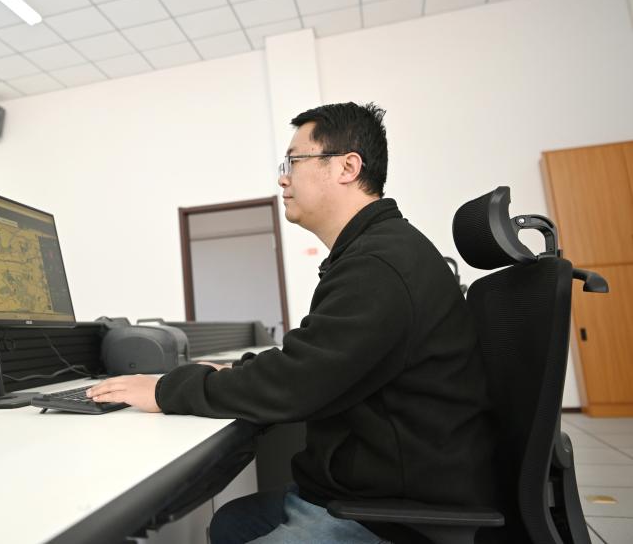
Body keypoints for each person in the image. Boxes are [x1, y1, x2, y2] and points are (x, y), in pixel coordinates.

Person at [88, 102, 498, 543]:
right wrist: (232, 373)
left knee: (227, 523)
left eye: (293, 162)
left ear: (347, 167)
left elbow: (296, 383)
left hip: (395, 513)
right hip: (366, 487)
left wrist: (164, 390)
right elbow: (315, 359)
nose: (283, 179)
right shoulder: (375, 251)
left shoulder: (379, 264)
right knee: (229, 522)